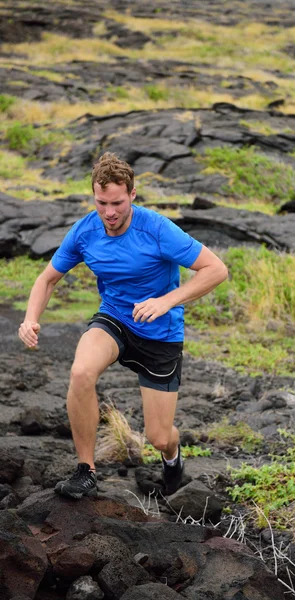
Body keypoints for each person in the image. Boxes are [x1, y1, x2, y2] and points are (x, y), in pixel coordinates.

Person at [18, 152, 228, 499]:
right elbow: (47, 279)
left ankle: (172, 459)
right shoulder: (85, 231)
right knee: (81, 372)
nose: (109, 212)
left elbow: (216, 269)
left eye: (117, 202)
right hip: (114, 318)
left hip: (160, 332)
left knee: (160, 436)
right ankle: (86, 470)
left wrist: (166, 301)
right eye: (101, 203)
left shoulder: (157, 229)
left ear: (132, 195)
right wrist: (30, 319)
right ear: (93, 197)